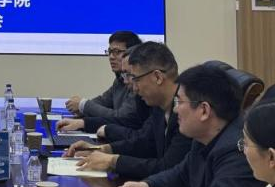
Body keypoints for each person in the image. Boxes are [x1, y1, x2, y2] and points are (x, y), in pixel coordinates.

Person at [114, 64, 262, 187]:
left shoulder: (238, 150)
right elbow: (181, 173)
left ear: (204, 110)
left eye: (179, 101)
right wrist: (146, 185)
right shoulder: (205, 136)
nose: (175, 109)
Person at [63, 42, 192, 180]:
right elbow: (144, 142)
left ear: (157, 77)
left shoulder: (188, 111)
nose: (134, 88)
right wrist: (101, 149)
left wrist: (113, 161)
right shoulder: (159, 106)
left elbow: (168, 168)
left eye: (136, 79)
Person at [63, 31, 148, 128]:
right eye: (110, 52)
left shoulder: (137, 83)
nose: (111, 57)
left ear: (132, 54)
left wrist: (83, 105)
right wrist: (81, 108)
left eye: (117, 52)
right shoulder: (120, 79)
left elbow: (122, 117)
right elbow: (104, 101)